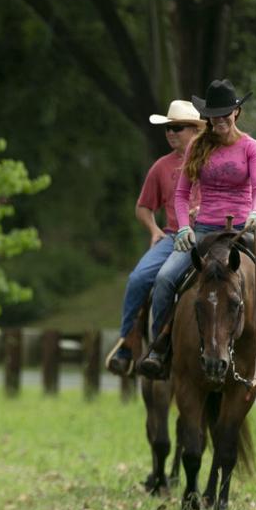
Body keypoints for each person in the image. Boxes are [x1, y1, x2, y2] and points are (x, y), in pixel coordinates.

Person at [138, 80, 256, 383]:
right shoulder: (197, 145)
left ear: (237, 113)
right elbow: (181, 194)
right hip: (205, 229)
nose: (219, 121)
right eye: (213, 116)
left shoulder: (251, 147)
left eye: (225, 114)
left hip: (244, 230)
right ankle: (160, 348)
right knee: (166, 278)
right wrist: (183, 229)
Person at [106, 100, 205, 375]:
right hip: (175, 238)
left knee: (251, 277)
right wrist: (154, 230)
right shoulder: (161, 167)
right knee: (138, 279)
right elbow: (142, 207)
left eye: (177, 127)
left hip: (214, 234)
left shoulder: (214, 160)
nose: (171, 133)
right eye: (167, 129)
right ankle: (129, 344)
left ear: (196, 130)